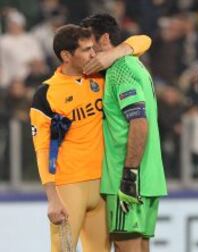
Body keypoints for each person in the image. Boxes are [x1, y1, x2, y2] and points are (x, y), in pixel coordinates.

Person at [30, 24, 151, 251]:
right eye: (86, 50)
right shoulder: (46, 93)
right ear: (66, 55)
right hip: (69, 186)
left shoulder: (103, 75)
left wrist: (114, 53)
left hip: (104, 182)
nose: (94, 54)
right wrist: (52, 198)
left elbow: (144, 40)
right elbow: (42, 148)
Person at [80, 14, 167, 252]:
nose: (88, 52)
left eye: (90, 44)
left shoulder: (119, 70)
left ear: (105, 38)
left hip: (126, 178)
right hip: (148, 177)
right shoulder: (132, 63)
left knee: (126, 245)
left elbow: (139, 122)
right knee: (139, 246)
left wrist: (129, 174)